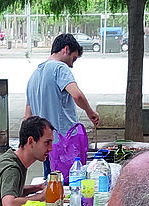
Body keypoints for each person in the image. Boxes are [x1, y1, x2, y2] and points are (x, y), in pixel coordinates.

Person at [25, 32, 99, 174]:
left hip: (43, 146)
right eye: (73, 58)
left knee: (52, 185)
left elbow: (27, 117)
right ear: (65, 49)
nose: (71, 64)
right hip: (64, 144)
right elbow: (77, 95)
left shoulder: (33, 76)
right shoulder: (60, 68)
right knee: (70, 186)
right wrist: (90, 112)